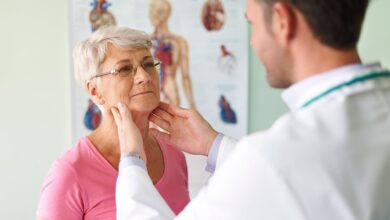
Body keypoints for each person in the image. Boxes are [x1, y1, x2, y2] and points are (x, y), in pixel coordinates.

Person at [114, 0, 390, 219]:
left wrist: (131, 160)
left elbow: (279, 170)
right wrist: (214, 145)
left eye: (253, 24)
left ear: (282, 20)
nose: (253, 42)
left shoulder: (273, 158)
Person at [36, 26, 190, 220]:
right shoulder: (69, 172)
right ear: (94, 91)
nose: (144, 77)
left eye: (148, 64)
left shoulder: (174, 155)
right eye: (125, 69)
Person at [149, 0, 196, 109]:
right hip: (151, 94)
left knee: (171, 124)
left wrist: (192, 105)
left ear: (165, 14)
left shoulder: (179, 42)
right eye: (151, 11)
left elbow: (185, 76)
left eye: (156, 11)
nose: (152, 15)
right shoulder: (145, 42)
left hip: (171, 93)